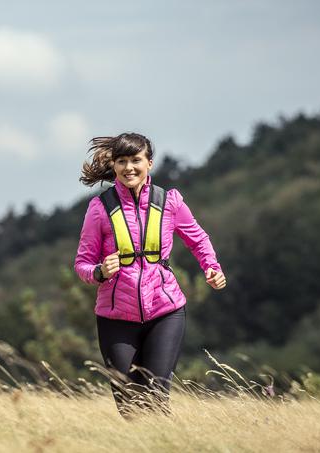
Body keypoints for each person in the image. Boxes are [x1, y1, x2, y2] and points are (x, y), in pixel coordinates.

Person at [74, 132, 226, 419]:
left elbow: (198, 239)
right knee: (130, 407)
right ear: (115, 166)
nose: (129, 167)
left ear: (149, 163)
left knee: (156, 397)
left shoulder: (170, 202)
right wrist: (98, 271)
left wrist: (212, 267)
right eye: (122, 161)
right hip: (115, 318)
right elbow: (82, 263)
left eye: (136, 160)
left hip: (165, 311)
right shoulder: (99, 208)